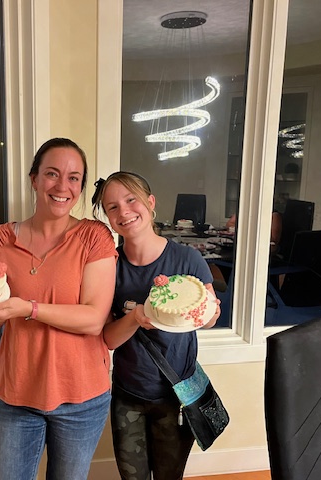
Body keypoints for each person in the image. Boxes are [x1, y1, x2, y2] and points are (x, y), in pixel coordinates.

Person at [0, 138, 118, 480]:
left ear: (81, 187)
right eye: (52, 174)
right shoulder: (0, 240)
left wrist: (28, 308)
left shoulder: (94, 237)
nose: (62, 186)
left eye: (73, 178)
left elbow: (93, 319)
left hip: (81, 395)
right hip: (17, 392)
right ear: (34, 179)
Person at [92, 171, 221, 480]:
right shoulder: (110, 267)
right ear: (108, 218)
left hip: (176, 394)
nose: (123, 211)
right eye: (112, 207)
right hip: (128, 394)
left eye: (131, 200)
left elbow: (208, 317)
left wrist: (210, 311)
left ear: (150, 203)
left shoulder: (187, 259)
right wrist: (135, 318)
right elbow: (108, 339)